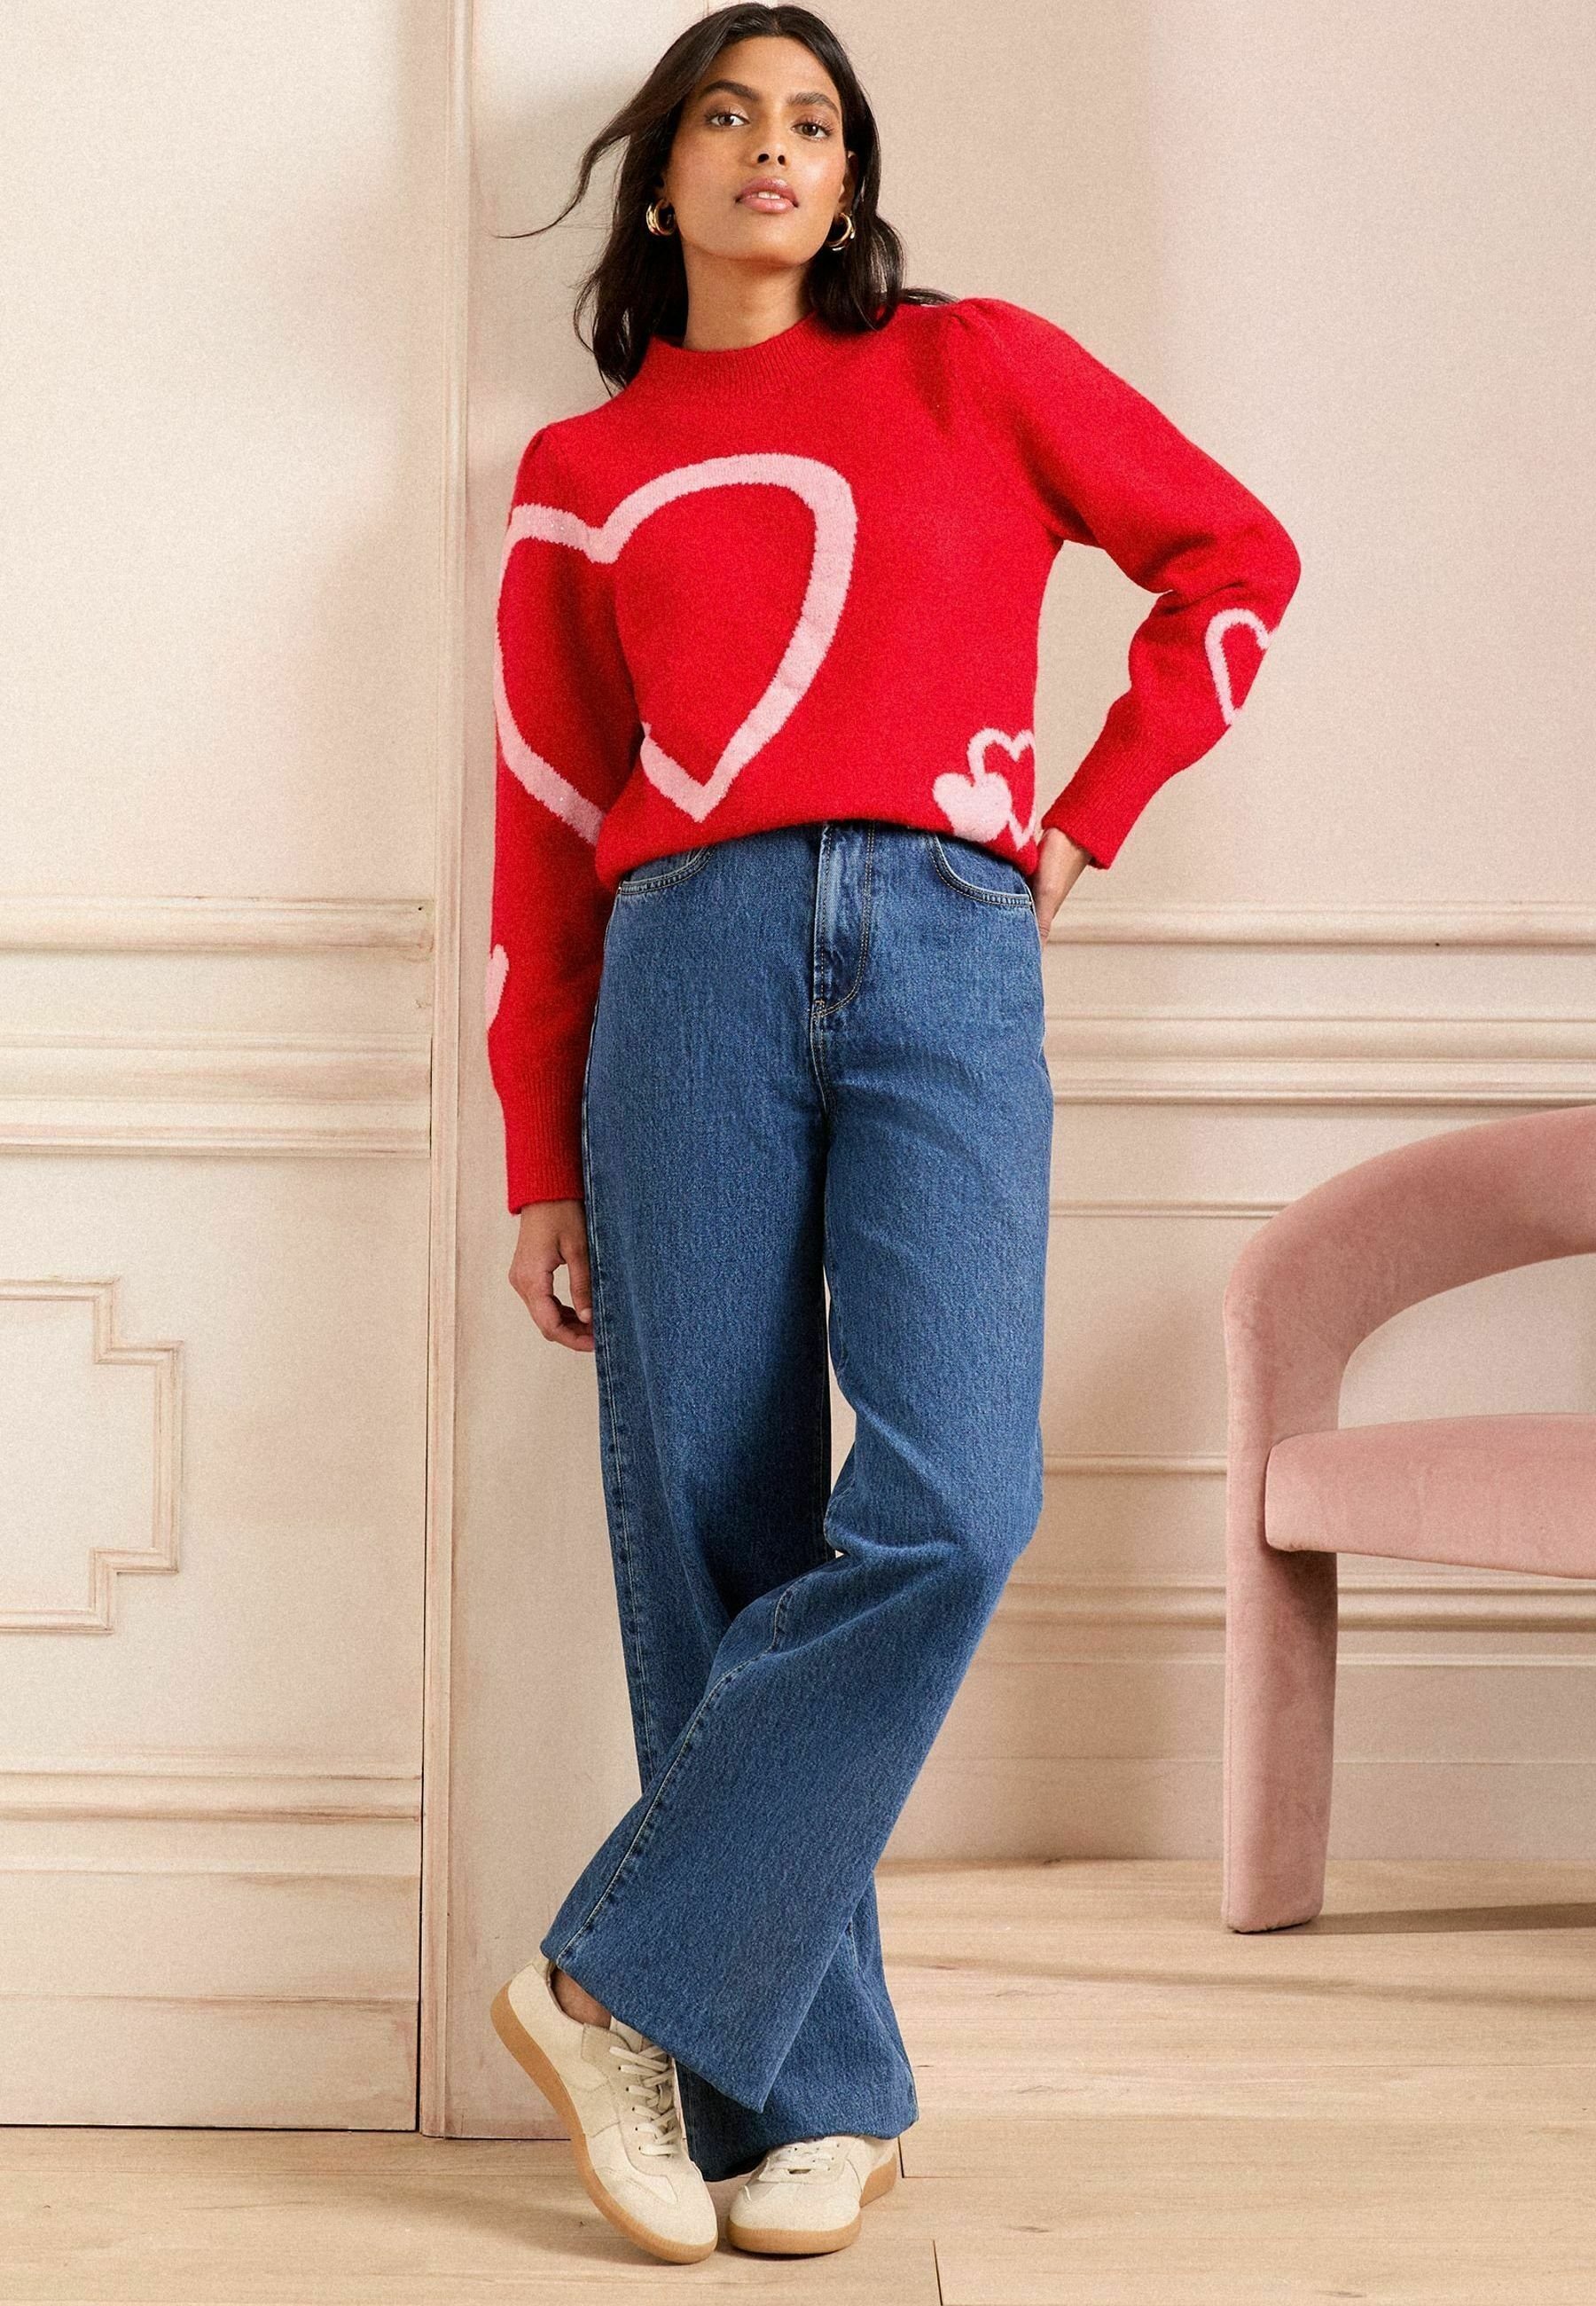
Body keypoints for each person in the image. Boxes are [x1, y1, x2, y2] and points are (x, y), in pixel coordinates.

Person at [484, 2, 1302, 2266]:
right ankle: (809, 2100)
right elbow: (543, 813)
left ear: (852, 177)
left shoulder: (975, 365)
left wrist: (1088, 812)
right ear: (661, 174)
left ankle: (605, 1979)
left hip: (951, 937)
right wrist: (538, 1152)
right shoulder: (582, 469)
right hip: (682, 967)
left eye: (815, 121)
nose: (775, 146)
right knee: (714, 1524)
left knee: (954, 1501)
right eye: (728, 113)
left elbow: (1235, 559)